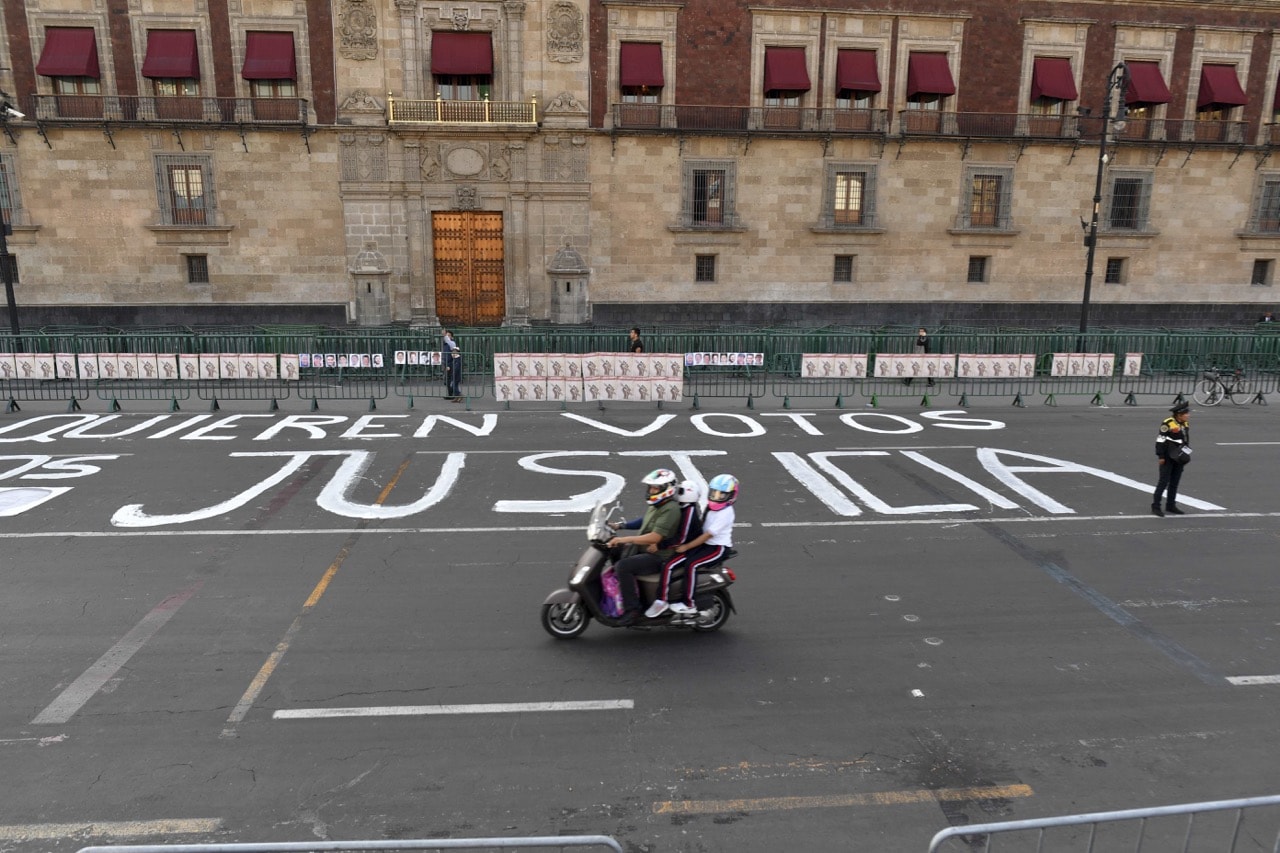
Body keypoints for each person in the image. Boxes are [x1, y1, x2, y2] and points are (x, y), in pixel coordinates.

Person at [649, 474, 737, 617]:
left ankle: (689, 604)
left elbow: (707, 535)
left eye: (721, 495)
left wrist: (687, 547)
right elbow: (702, 526)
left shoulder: (726, 513)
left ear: (731, 496)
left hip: (717, 548)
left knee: (692, 565)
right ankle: (662, 600)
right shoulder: (710, 507)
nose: (716, 497)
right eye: (714, 493)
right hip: (704, 545)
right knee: (670, 564)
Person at [609, 469, 682, 624]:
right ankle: (624, 592)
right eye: (650, 487)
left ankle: (632, 610)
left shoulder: (670, 509)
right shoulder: (658, 504)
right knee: (614, 550)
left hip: (659, 556)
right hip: (646, 549)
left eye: (655, 488)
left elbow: (655, 537)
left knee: (623, 566)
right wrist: (620, 526)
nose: (651, 491)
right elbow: (645, 521)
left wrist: (624, 539)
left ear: (666, 488)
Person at [644, 480, 705, 618]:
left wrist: (659, 545)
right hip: (683, 545)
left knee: (668, 566)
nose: (677, 493)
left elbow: (681, 538)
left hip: (689, 549)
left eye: (680, 491)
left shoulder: (689, 511)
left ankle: (663, 600)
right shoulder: (682, 507)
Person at [1152, 401, 1191, 516]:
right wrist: (1161, 456)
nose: (1188, 415)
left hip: (1179, 456)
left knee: (1174, 482)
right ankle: (1156, 506)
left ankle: (1170, 505)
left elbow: (1185, 439)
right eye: (1186, 413)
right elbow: (1160, 440)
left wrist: (1186, 453)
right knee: (1163, 482)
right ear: (1179, 414)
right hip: (1168, 456)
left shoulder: (1185, 424)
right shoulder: (1168, 423)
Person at [442, 330, 463, 401]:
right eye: (447, 335)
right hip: (446, 362)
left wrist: (445, 335)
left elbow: (448, 341)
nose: (447, 337)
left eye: (449, 335)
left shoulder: (452, 343)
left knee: (452, 380)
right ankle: (451, 394)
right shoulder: (445, 344)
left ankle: (457, 394)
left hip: (450, 363)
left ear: (452, 337)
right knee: (447, 380)